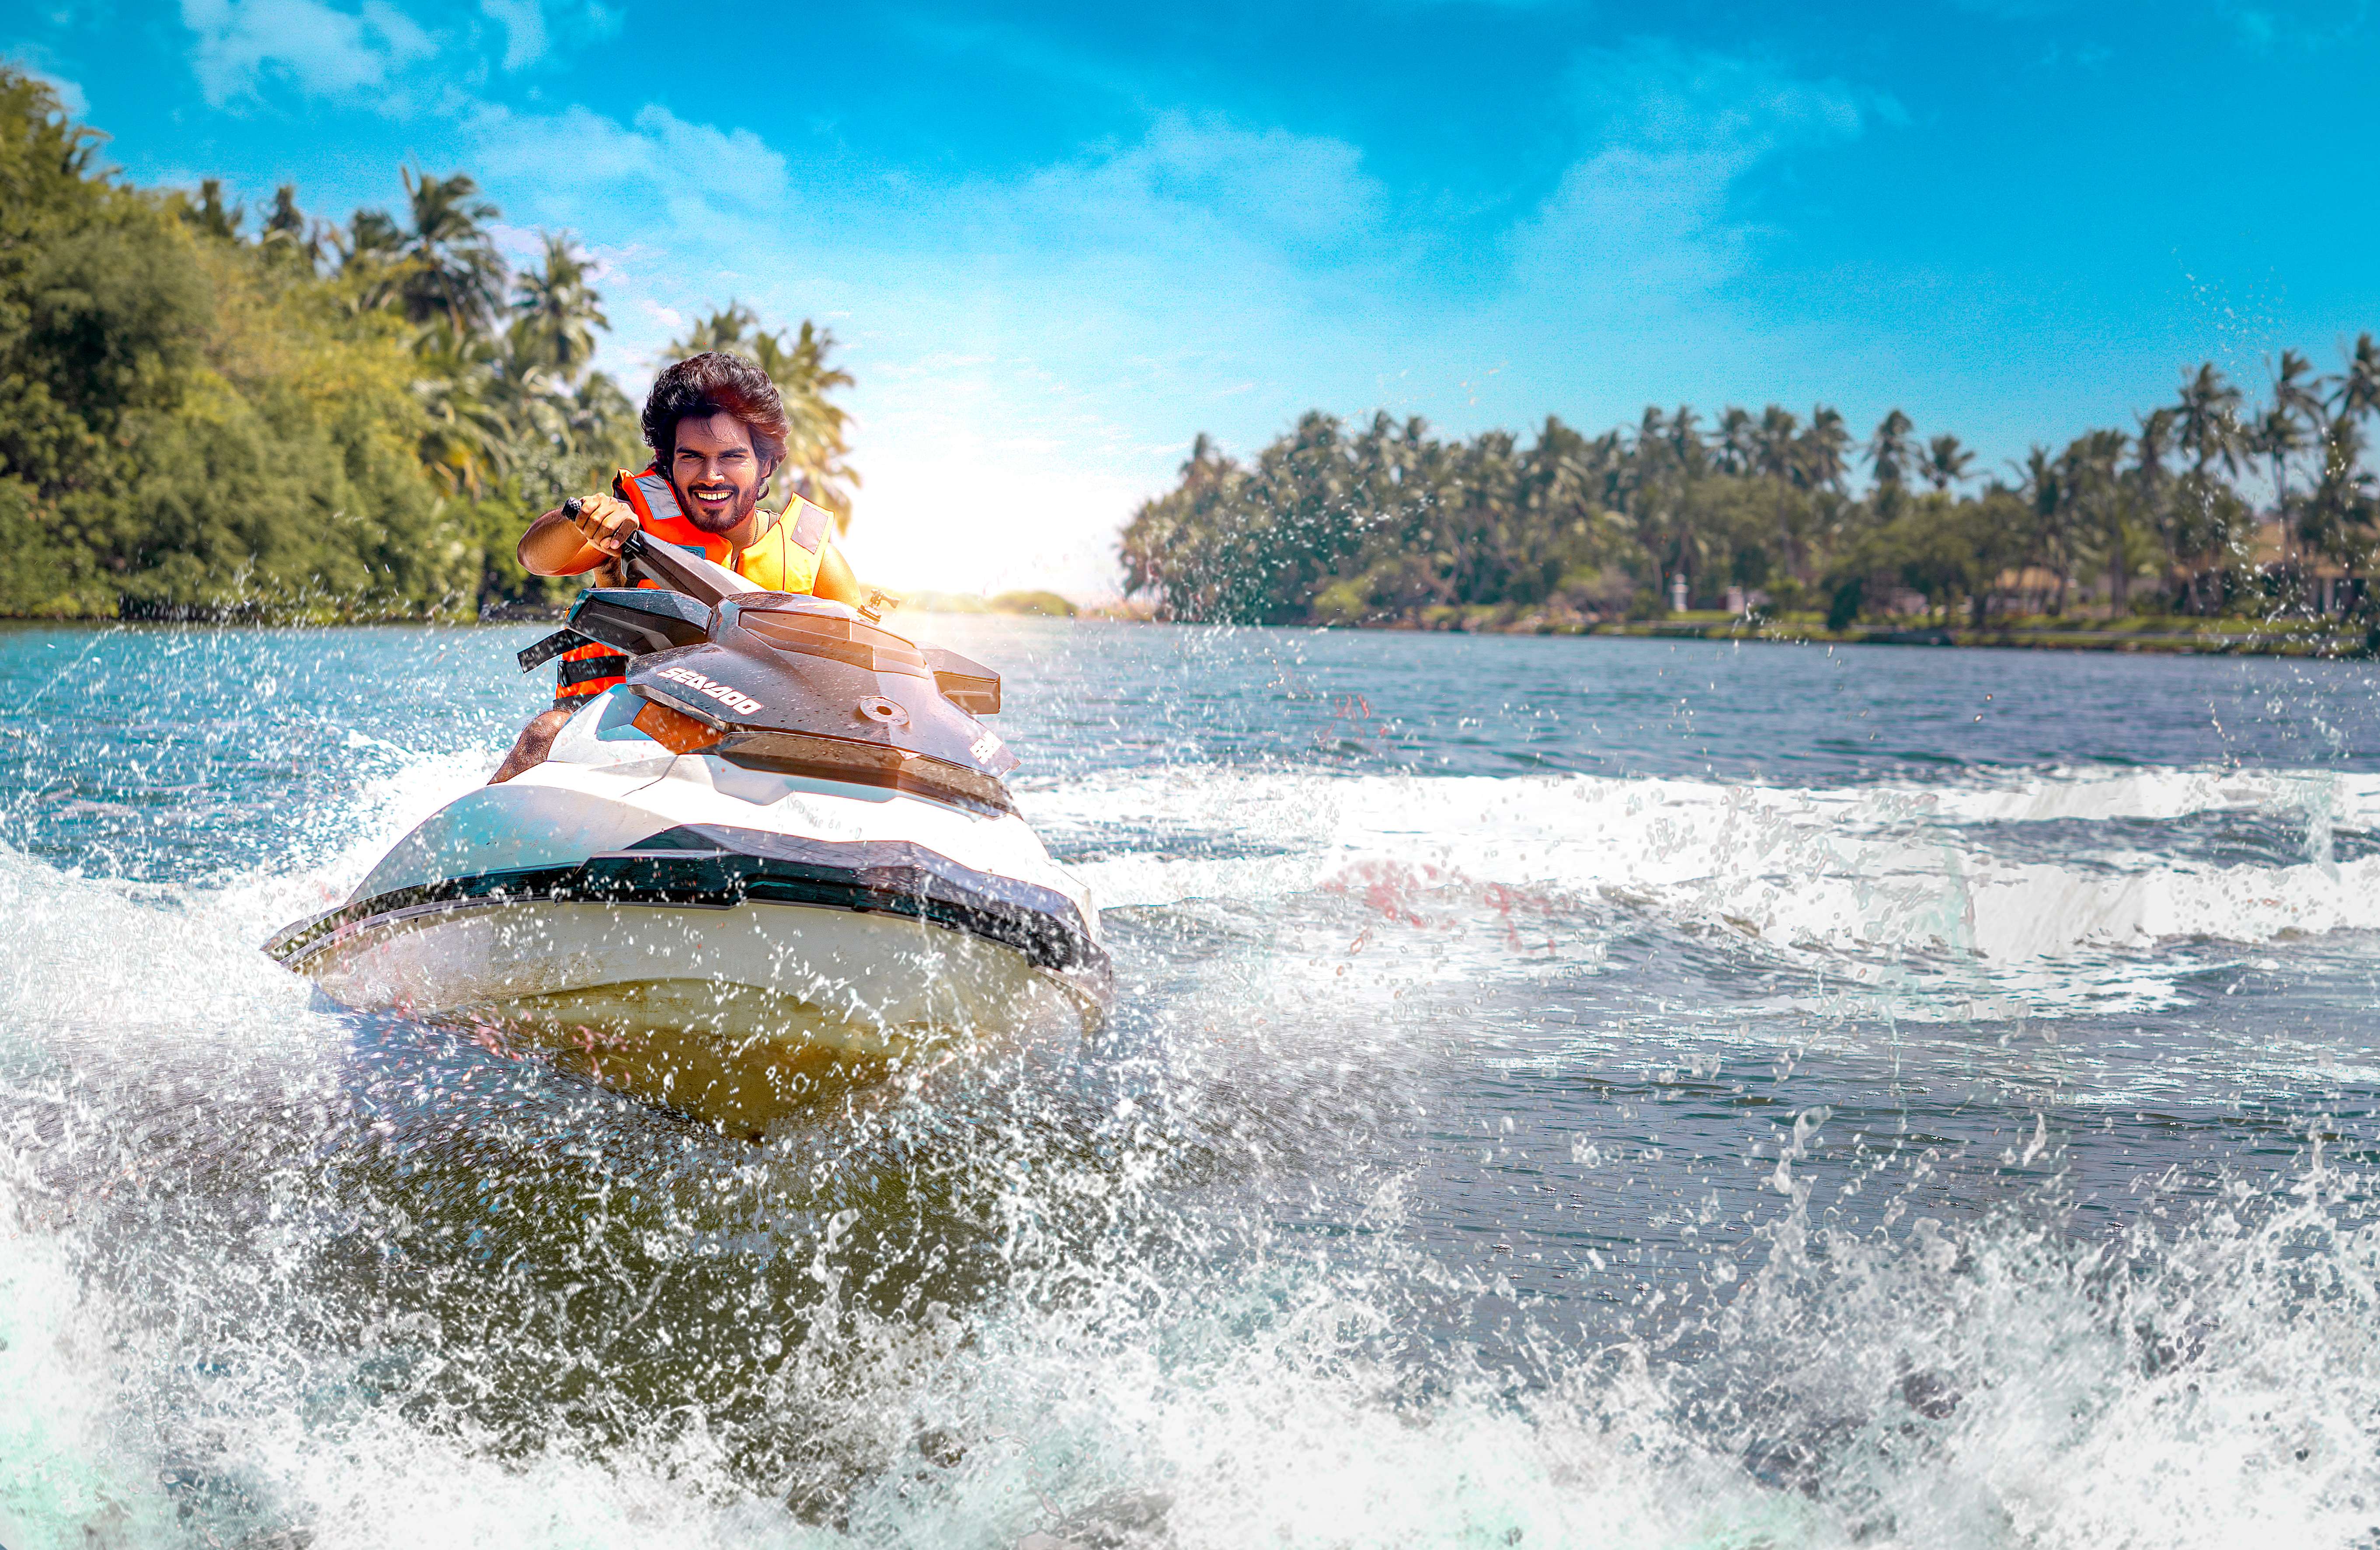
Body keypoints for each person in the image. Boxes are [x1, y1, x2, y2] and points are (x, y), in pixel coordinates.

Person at [489, 351, 866, 782]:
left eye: (731, 457)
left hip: (759, 751)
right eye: (691, 457)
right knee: (545, 731)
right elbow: (534, 557)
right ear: (668, 462)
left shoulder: (818, 564)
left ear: (765, 463)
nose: (710, 476)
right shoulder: (630, 526)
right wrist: (586, 519)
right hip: (622, 733)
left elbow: (860, 680)